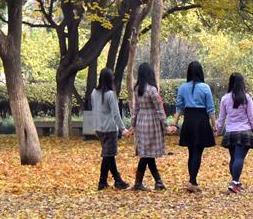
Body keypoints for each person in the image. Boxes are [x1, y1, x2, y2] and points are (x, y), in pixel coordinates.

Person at [171, 61, 216, 192]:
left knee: (191, 152)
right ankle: (192, 181)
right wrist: (214, 126)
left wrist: (174, 123)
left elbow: (179, 108)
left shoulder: (182, 87)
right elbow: (210, 109)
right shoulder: (205, 87)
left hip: (189, 120)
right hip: (201, 120)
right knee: (198, 152)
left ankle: (192, 180)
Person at [216, 73, 253, 193]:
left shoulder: (225, 98)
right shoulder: (246, 98)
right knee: (239, 158)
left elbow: (222, 118)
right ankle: (234, 183)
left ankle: (236, 182)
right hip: (244, 131)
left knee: (234, 158)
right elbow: (252, 117)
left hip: (230, 132)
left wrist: (218, 130)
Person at [128, 62, 167, 191]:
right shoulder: (152, 89)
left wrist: (133, 124)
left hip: (141, 122)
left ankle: (157, 182)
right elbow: (159, 108)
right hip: (152, 122)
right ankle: (142, 183)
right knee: (147, 155)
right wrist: (165, 124)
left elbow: (136, 108)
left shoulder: (137, 89)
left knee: (147, 153)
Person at [90, 68, 130, 190]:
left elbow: (94, 110)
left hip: (98, 128)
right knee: (107, 155)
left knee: (110, 155)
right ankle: (102, 182)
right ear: (110, 79)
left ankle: (118, 180)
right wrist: (123, 129)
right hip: (110, 128)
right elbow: (116, 114)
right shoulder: (111, 95)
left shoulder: (93, 92)